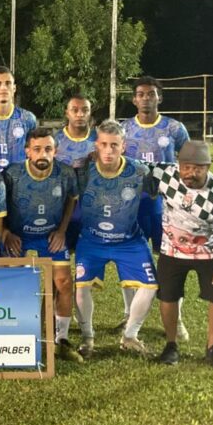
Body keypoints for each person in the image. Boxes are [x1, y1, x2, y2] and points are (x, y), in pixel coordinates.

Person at [149, 141, 213, 368]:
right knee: (168, 296)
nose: (191, 173)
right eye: (186, 167)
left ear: (208, 166)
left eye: (198, 168)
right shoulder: (165, 173)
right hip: (172, 250)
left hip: (209, 251)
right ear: (178, 164)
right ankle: (171, 345)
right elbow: (133, 164)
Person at [73, 120, 158, 358]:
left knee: (150, 285)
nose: (108, 150)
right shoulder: (82, 171)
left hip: (129, 240)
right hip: (92, 240)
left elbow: (163, 189)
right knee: (81, 287)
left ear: (124, 146)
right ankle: (87, 337)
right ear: (96, 145)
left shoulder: (140, 171)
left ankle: (130, 336)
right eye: (103, 144)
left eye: (114, 145)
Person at [1, 128, 80, 362]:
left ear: (55, 151)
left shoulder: (65, 173)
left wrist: (62, 230)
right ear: (27, 151)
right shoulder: (12, 174)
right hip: (18, 236)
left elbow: (71, 199)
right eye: (37, 149)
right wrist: (6, 233)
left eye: (48, 149)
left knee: (64, 282)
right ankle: (13, 334)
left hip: (50, 235)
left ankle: (61, 339)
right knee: (13, 282)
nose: (43, 154)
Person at [121, 76, 190, 340]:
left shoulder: (174, 128)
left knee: (172, 263)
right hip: (132, 206)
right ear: (134, 99)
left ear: (159, 97)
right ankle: (128, 315)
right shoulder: (124, 129)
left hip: (167, 207)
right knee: (129, 261)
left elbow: (188, 161)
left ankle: (177, 320)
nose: (146, 98)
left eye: (151, 94)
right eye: (141, 94)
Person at [54, 93, 98, 255]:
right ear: (67, 113)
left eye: (85, 110)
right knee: (61, 255)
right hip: (62, 206)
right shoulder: (55, 140)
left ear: (90, 113)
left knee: (86, 255)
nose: (80, 114)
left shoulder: (100, 139)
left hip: (92, 206)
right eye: (75, 110)